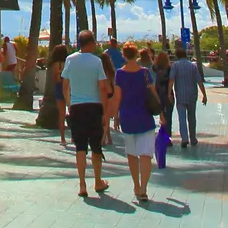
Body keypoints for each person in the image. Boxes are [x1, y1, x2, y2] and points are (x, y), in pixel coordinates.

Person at [59, 28, 112, 197]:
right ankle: (97, 181)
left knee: (80, 147)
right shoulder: (96, 62)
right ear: (91, 43)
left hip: (77, 107)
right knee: (96, 147)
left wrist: (69, 103)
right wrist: (105, 111)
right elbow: (103, 88)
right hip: (94, 106)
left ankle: (82, 184)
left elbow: (65, 85)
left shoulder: (70, 60)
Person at [112, 44, 161, 202]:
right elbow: (153, 93)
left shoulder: (120, 73)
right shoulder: (145, 72)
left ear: (124, 56)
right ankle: (144, 189)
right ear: (136, 55)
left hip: (127, 116)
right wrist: (161, 114)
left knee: (132, 154)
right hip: (145, 117)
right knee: (145, 155)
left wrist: (116, 115)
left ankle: (135, 185)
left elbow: (118, 97)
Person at [169, 43, 206, 148]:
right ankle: (193, 138)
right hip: (192, 95)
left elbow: (171, 80)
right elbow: (199, 81)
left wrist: (169, 93)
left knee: (182, 118)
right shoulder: (192, 66)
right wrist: (204, 95)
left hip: (180, 95)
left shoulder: (175, 66)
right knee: (192, 118)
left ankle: (184, 139)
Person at [153, 49, 175, 133]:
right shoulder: (169, 68)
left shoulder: (156, 68)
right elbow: (171, 81)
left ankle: (163, 132)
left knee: (161, 114)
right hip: (167, 91)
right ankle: (167, 134)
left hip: (158, 92)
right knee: (168, 115)